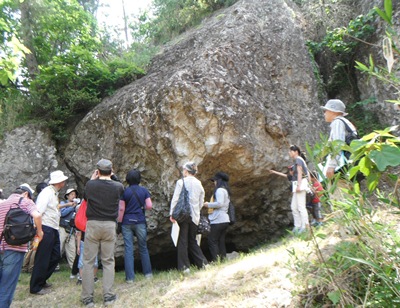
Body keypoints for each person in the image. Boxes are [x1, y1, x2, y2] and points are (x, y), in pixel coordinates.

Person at [81, 159, 124, 307]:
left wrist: (93, 179)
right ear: (111, 171)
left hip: (92, 224)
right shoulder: (118, 186)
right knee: (108, 261)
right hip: (110, 225)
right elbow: (120, 189)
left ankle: (87, 299)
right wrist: (113, 176)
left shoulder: (90, 185)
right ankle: (109, 297)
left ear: (97, 171)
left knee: (88, 261)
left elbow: (85, 198)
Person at [0, 184, 43, 307]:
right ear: (25, 194)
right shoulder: (24, 201)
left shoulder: (2, 203)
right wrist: (40, 232)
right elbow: (37, 215)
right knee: (6, 287)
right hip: (14, 248)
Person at [30, 170, 69, 295]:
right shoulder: (46, 193)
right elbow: (38, 211)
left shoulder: (53, 193)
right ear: (59, 182)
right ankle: (35, 286)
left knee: (55, 255)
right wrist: (39, 230)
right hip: (46, 227)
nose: (64, 181)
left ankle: (42, 279)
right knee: (43, 257)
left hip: (53, 227)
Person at [169, 161, 208, 273]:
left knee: (182, 241)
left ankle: (184, 267)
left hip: (183, 215)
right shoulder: (199, 183)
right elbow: (201, 201)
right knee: (192, 240)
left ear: (186, 171)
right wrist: (196, 211)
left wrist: (172, 213)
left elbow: (176, 199)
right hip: (195, 216)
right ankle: (203, 264)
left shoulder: (181, 182)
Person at [118, 169, 153, 283]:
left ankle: (130, 278)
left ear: (127, 179)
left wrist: (119, 222)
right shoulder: (144, 191)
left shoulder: (125, 192)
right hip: (140, 221)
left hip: (127, 222)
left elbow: (121, 208)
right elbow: (149, 206)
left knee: (128, 249)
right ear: (139, 179)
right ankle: (148, 274)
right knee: (143, 248)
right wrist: (141, 206)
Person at [321, 99, 357, 179]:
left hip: (342, 167)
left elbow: (338, 144)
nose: (324, 114)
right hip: (351, 163)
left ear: (333, 111)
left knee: (340, 190)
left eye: (326, 111)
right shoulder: (345, 122)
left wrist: (332, 166)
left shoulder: (337, 122)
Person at [204, 172, 231, 262]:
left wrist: (208, 205)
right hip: (224, 220)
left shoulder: (219, 190)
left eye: (215, 181)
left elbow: (219, 203)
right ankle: (223, 259)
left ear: (219, 181)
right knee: (220, 241)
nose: (214, 183)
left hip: (218, 220)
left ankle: (216, 260)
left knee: (212, 240)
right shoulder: (225, 190)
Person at [22, 182, 48, 274]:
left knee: (32, 247)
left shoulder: (21, 202)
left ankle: (25, 267)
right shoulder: (31, 202)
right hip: (36, 227)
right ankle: (31, 268)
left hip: (29, 227)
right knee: (34, 248)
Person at [289, 145, 311, 234]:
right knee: (293, 207)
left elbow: (300, 173)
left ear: (296, 151)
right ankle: (297, 225)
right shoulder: (297, 161)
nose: (289, 153)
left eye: (291, 151)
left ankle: (305, 226)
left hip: (300, 184)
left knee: (301, 206)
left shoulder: (298, 159)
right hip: (297, 185)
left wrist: (299, 185)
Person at [59, 188, 79, 271]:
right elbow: (62, 213)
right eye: (71, 194)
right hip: (62, 228)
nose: (73, 196)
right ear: (67, 196)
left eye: (74, 194)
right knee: (59, 248)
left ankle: (73, 268)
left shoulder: (77, 206)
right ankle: (55, 266)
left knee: (71, 250)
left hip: (71, 230)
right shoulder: (63, 203)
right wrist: (71, 207)